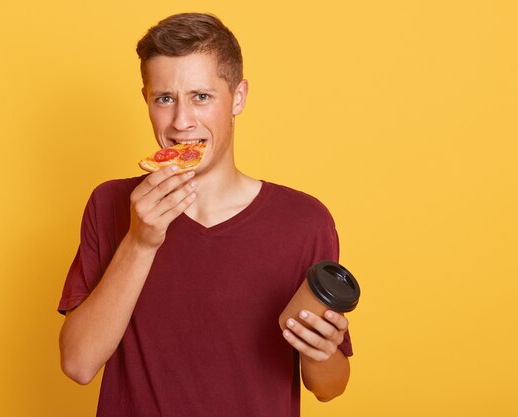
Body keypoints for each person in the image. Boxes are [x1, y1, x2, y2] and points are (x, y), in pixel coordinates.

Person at [58, 12, 353, 417]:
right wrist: (140, 242)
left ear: (238, 97)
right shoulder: (111, 204)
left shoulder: (304, 221)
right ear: (146, 99)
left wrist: (320, 352)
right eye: (165, 98)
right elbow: (77, 363)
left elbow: (329, 387)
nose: (181, 122)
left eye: (201, 97)